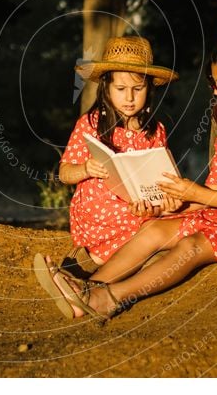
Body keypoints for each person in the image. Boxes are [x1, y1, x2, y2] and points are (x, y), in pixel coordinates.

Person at [34, 33, 217, 320]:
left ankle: (108, 298)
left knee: (191, 245)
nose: (216, 94)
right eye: (215, 86)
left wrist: (193, 194)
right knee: (155, 229)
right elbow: (212, 191)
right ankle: (87, 289)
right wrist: (177, 203)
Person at [54, 36, 179, 285]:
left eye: (138, 89)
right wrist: (85, 169)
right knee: (144, 228)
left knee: (164, 222)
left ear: (150, 89)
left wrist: (157, 201)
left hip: (141, 208)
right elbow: (64, 173)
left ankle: (92, 264)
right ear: (106, 88)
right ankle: (95, 261)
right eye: (120, 89)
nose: (129, 98)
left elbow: (163, 177)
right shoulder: (90, 124)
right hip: (99, 212)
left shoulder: (156, 130)